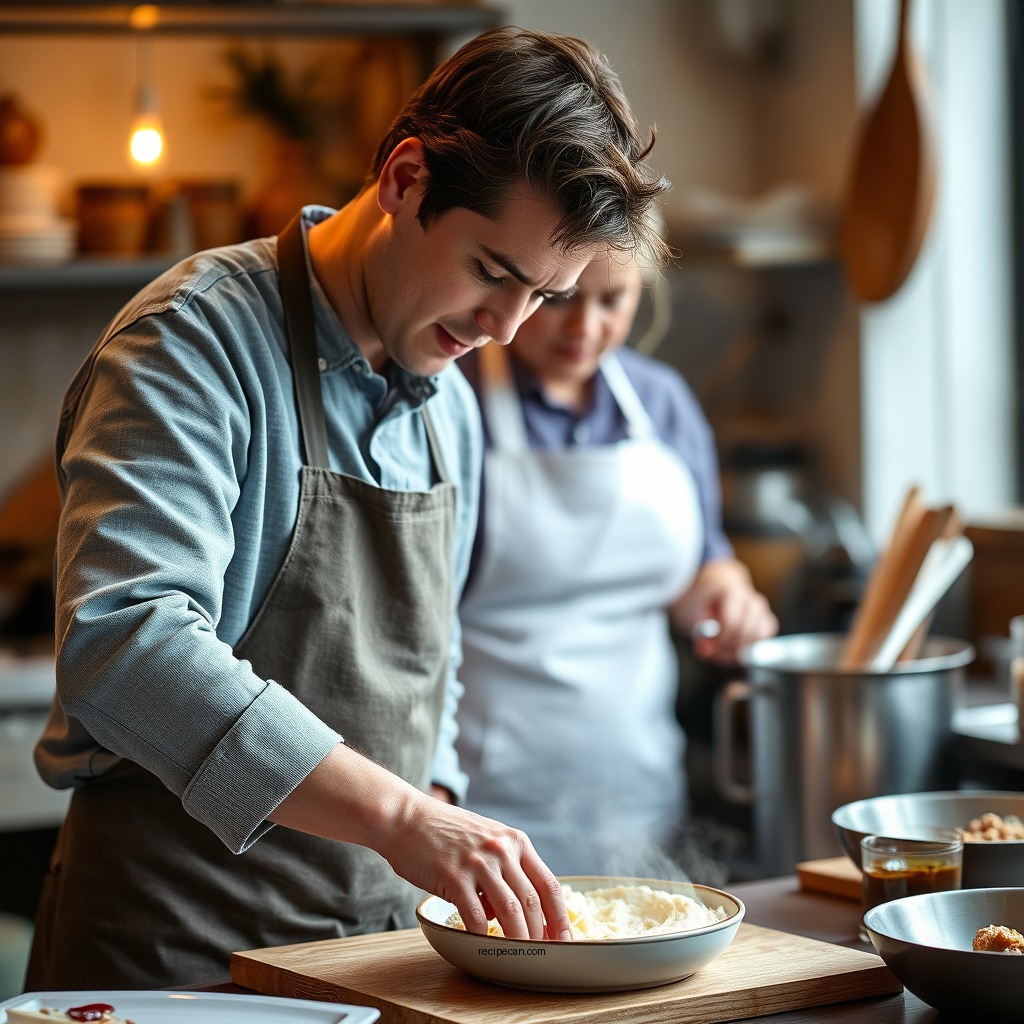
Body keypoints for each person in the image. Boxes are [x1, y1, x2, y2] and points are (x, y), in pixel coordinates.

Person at [25, 27, 671, 989]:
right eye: (493, 272)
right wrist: (407, 820)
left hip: (374, 958)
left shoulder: (449, 398)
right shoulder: (192, 345)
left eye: (542, 296)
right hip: (176, 960)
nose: (505, 330)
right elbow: (124, 644)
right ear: (406, 178)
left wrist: (444, 823)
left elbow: (430, 675)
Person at [455, 239, 778, 878]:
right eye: (563, 297)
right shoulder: (453, 399)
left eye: (614, 300)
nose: (587, 327)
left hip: (643, 793)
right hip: (481, 807)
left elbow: (704, 568)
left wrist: (728, 599)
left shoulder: (663, 402)